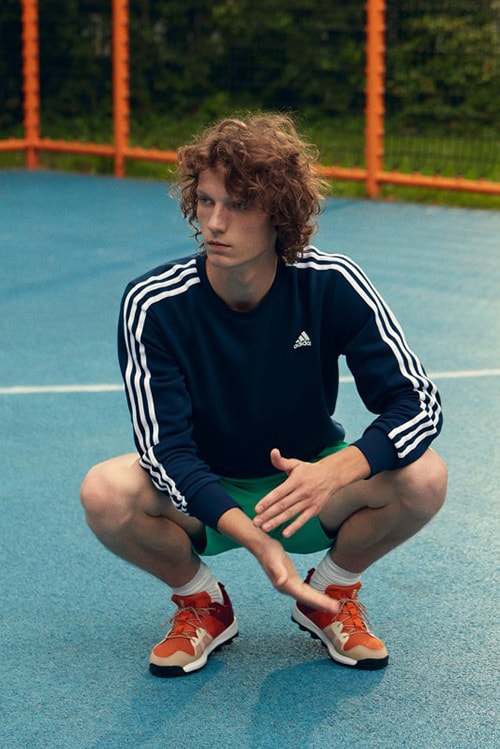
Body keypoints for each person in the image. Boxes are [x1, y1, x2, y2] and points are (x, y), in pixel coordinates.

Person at [80, 113, 447, 678]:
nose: (215, 222)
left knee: (425, 476)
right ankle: (202, 602)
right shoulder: (154, 303)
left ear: (279, 214)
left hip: (309, 484)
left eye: (238, 205)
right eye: (206, 202)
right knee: (105, 492)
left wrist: (337, 469)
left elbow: (418, 401)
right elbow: (165, 450)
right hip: (206, 487)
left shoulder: (331, 282)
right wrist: (255, 540)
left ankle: (330, 594)